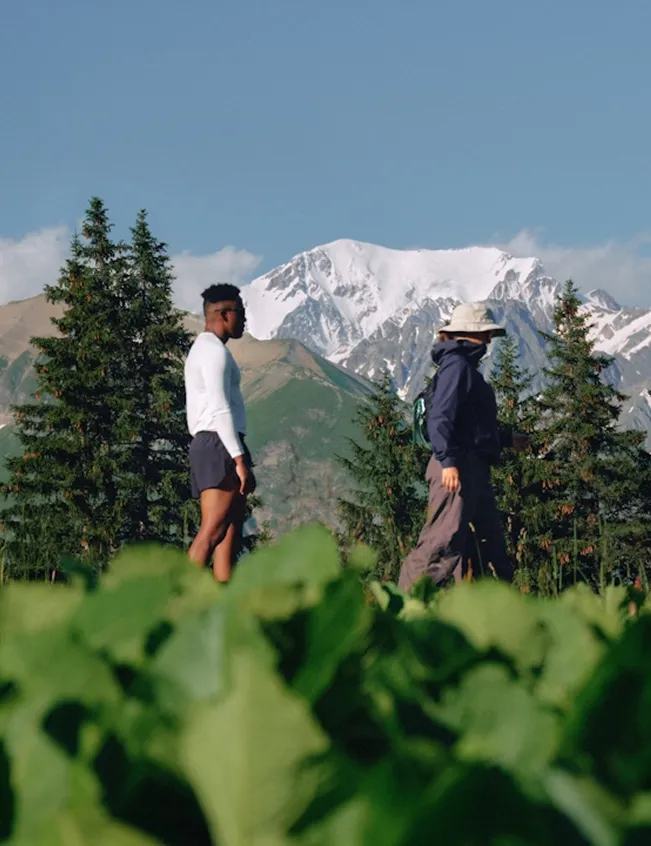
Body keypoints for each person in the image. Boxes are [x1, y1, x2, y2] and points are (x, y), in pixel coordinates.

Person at [398, 303, 529, 591]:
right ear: (473, 335)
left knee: (486, 546)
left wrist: (507, 439)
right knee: (440, 545)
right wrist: (447, 461)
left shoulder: (462, 366)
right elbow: (440, 417)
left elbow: (470, 425)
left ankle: (485, 611)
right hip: (456, 470)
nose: (490, 341)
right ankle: (403, 611)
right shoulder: (457, 366)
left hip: (472, 468)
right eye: (487, 335)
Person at [184, 283, 256, 582]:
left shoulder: (204, 350)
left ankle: (223, 608)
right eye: (241, 312)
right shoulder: (214, 353)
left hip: (217, 443)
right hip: (219, 444)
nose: (244, 319)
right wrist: (239, 460)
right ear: (224, 315)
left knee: (229, 531)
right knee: (212, 531)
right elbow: (219, 408)